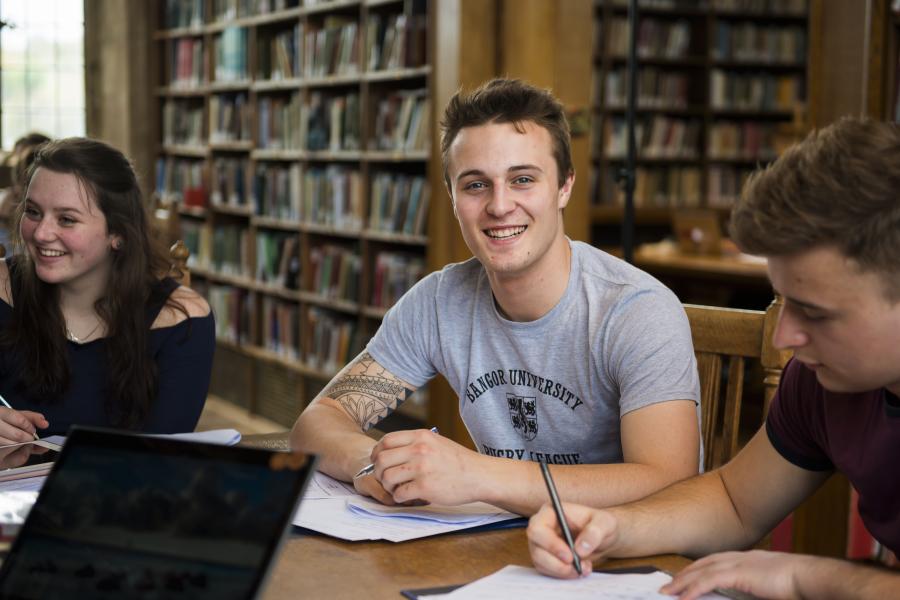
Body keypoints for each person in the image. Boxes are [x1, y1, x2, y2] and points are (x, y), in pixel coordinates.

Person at [527, 117, 900, 598]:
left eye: (815, 313)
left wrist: (801, 576)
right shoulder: (821, 380)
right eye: (783, 301)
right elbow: (734, 501)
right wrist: (614, 527)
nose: (785, 337)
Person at [291, 78, 701, 515]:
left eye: (522, 179)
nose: (500, 205)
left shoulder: (635, 310)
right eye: (475, 185)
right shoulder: (437, 302)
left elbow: (670, 483)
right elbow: (317, 421)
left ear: (564, 187)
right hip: (498, 546)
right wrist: (374, 468)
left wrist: (477, 476)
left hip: (614, 557)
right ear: (451, 197)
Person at [0, 137, 215, 443]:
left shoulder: (181, 319)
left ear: (117, 233)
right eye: (33, 212)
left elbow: (161, 451)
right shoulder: (2, 289)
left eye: (66, 219)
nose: (41, 233)